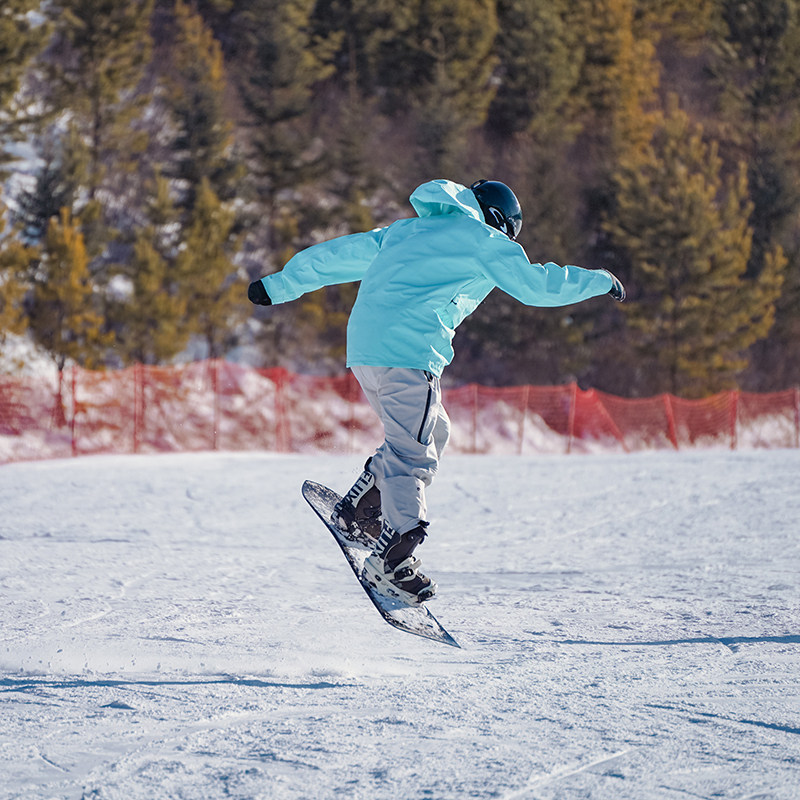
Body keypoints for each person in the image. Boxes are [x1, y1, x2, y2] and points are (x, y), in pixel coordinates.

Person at [248, 179, 625, 605]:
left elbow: (340, 254)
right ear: (499, 222)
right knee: (414, 454)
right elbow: (536, 286)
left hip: (367, 351)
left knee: (433, 431)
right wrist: (598, 280)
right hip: (408, 354)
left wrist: (280, 285)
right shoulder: (482, 238)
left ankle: (362, 510)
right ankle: (394, 559)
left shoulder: (406, 231)